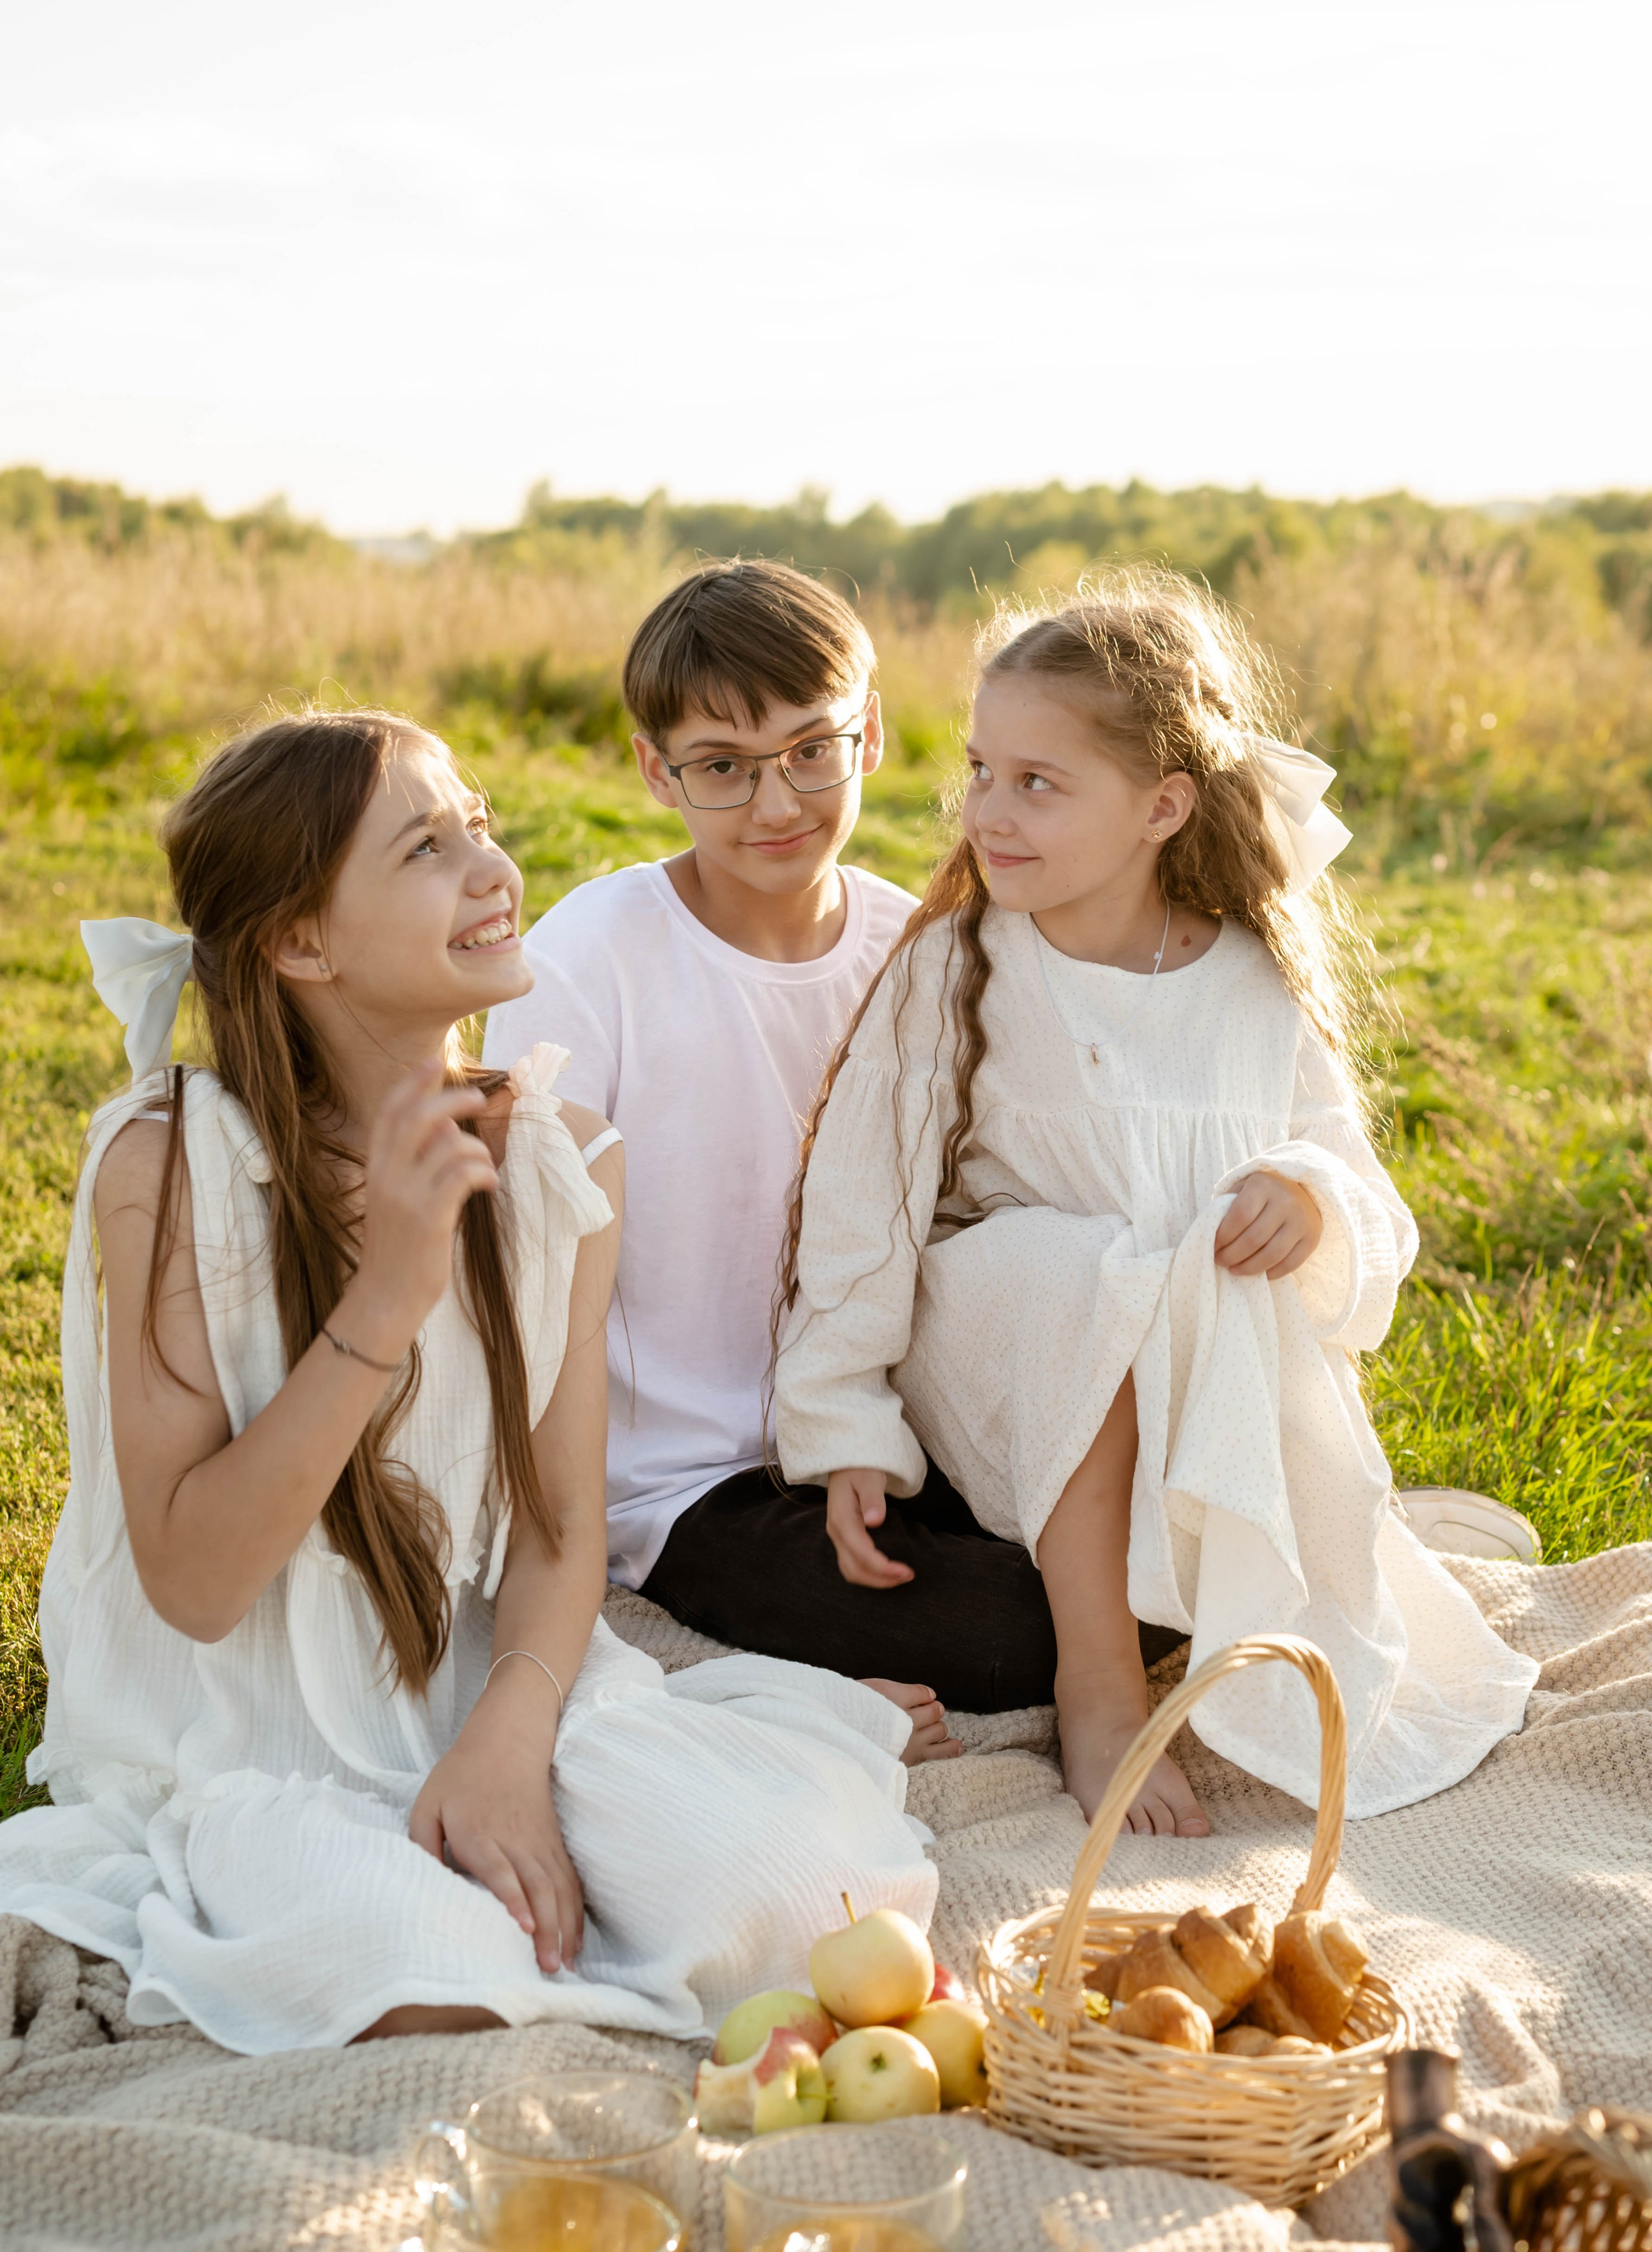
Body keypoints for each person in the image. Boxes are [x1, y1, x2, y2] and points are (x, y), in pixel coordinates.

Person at [0, 709, 935, 2056]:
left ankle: (525, 1824)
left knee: (791, 1901)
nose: (493, 869)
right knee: (425, 1980)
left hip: (483, 1685)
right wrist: (387, 1292)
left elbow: (559, 1526)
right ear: (301, 941)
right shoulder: (171, 1164)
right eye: (428, 848)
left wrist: (505, 1745)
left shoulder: (565, 1157)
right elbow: (196, 1584)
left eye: (479, 824)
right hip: (245, 1734)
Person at [774, 573, 1540, 1835]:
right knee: (1096, 1270)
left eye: (1038, 782)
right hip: (1011, 1350)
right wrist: (841, 1419)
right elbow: (863, 1208)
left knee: (1177, 1274)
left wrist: (1307, 1197)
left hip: (1198, 1365)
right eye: (979, 768)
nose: (987, 811)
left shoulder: (1249, 978)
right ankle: (1098, 1684)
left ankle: (1233, 1585)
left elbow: (1350, 1172)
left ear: (1160, 806)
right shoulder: (956, 961)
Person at [486, 558, 1185, 1740]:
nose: (777, 805)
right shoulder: (588, 959)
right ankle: (781, 1686)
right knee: (1015, 1632)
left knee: (1159, 1562)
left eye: (811, 750)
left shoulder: (914, 948)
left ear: (868, 736)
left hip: (894, 1425)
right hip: (692, 1479)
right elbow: (522, 1271)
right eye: (723, 767)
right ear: (656, 770)